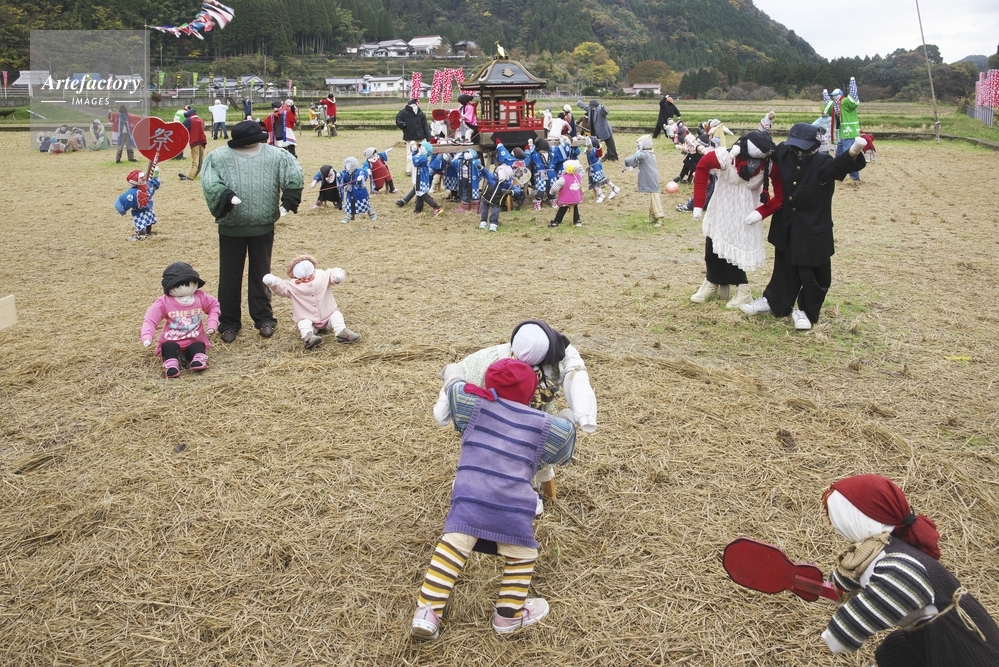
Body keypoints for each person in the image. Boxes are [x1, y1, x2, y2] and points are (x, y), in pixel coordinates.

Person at [412, 358, 576, 640]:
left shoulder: (474, 404)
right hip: (512, 509)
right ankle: (508, 616)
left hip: (469, 501)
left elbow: (454, 388)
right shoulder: (542, 424)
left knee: (451, 549)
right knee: (522, 555)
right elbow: (565, 444)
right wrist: (568, 414)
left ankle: (427, 612)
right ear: (530, 392)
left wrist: (452, 370)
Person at [819, 474, 999, 666]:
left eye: (839, 517)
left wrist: (840, 633)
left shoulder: (900, 564)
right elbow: (847, 578)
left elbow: (891, 593)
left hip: (959, 641)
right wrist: (825, 588)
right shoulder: (873, 550)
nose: (835, 525)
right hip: (927, 633)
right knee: (893, 651)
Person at [740, 123, 866, 330]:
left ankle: (806, 311)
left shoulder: (823, 162)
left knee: (812, 273)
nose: (798, 150)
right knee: (783, 267)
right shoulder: (784, 152)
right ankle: (775, 302)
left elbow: (838, 167)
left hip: (813, 229)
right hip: (787, 224)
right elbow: (764, 148)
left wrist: (853, 151)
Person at [200, 120, 304, 342]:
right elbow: (210, 181)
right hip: (231, 227)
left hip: (263, 225)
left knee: (262, 273)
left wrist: (289, 200)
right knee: (229, 275)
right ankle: (228, 321)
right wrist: (225, 196)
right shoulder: (218, 158)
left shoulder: (276, 156)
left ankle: (263, 317)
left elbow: (293, 176)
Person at [689, 131, 780, 309]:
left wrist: (761, 212)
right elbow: (703, 165)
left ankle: (743, 288)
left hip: (746, 214)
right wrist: (698, 203)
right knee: (713, 245)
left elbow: (780, 195)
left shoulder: (768, 165)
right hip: (722, 207)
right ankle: (712, 281)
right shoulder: (727, 157)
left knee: (737, 250)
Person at [262, 254, 360, 349]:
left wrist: (337, 275)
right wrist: (274, 282)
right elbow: (282, 288)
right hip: (309, 321)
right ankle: (308, 337)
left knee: (336, 315)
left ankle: (341, 332)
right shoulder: (292, 285)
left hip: (327, 316)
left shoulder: (322, 276)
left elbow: (333, 272)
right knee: (303, 323)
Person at [141, 262, 220, 378]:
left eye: (189, 283)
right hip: (172, 341)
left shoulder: (200, 296)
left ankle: (198, 358)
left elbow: (214, 306)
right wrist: (147, 335)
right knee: (168, 347)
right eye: (179, 285)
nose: (185, 288)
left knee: (198, 345)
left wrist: (212, 323)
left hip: (194, 339)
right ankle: (171, 364)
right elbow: (151, 319)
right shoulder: (164, 302)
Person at [823, 77, 861, 182]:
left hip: (849, 132)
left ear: (839, 95)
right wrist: (825, 94)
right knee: (839, 156)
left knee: (849, 155)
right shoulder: (836, 104)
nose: (833, 97)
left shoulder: (845, 102)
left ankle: (855, 177)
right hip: (841, 134)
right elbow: (828, 105)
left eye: (834, 95)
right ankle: (837, 175)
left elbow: (854, 98)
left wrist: (852, 83)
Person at [623, 134, 665, 226]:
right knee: (653, 197)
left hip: (652, 178)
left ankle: (660, 218)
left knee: (655, 197)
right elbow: (637, 159)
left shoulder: (645, 154)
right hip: (651, 177)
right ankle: (653, 216)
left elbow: (636, 157)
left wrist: (626, 161)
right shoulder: (648, 153)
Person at [115, 167, 161, 241]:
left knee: (140, 223)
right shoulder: (149, 187)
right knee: (148, 219)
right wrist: (155, 177)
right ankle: (148, 231)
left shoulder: (132, 193)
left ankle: (141, 235)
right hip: (148, 209)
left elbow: (125, 200)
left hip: (139, 211)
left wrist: (121, 208)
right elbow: (154, 184)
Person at [396, 98, 432, 176]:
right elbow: (398, 120)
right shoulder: (403, 112)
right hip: (410, 136)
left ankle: (420, 168)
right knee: (409, 153)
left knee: (421, 152)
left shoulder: (420, 113)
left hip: (420, 136)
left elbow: (425, 126)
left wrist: (429, 137)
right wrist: (403, 124)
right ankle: (408, 170)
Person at [340, 157, 377, 224]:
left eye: (350, 164)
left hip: (360, 192)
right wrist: (339, 176)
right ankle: (349, 215)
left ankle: (371, 213)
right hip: (350, 191)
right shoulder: (345, 172)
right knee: (350, 204)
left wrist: (361, 177)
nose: (348, 166)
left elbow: (364, 172)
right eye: (347, 164)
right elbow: (342, 177)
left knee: (365, 204)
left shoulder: (359, 171)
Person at [410, 142, 443, 217]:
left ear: (425, 150)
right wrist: (414, 151)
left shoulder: (424, 157)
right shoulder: (420, 155)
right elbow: (415, 156)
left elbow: (415, 161)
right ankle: (418, 209)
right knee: (418, 193)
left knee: (423, 194)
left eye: (420, 147)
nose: (419, 147)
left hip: (421, 178)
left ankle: (436, 207)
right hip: (417, 178)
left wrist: (412, 156)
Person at [548, 160, 584, 228]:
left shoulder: (563, 178)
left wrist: (551, 192)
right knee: (574, 207)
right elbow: (582, 172)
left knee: (562, 208)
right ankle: (577, 220)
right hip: (576, 198)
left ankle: (556, 221)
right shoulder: (578, 176)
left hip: (566, 199)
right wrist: (579, 165)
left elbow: (556, 186)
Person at [478, 164, 513, 232]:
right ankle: (483, 222)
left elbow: (516, 190)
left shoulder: (507, 184)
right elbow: (486, 173)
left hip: (496, 201)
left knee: (494, 211)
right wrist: (482, 169)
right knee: (485, 209)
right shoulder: (494, 178)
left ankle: (492, 224)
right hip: (487, 198)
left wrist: (510, 192)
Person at [584, 137, 620, 203]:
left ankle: (601, 195)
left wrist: (587, 139)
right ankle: (614, 188)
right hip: (598, 166)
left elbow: (589, 145)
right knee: (603, 179)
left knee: (596, 183)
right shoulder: (596, 149)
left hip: (595, 168)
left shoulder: (592, 150)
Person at [179, 108, 207, 181]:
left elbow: (182, 129)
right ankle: (196, 174)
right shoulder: (201, 120)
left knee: (195, 159)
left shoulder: (189, 120)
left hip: (194, 141)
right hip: (203, 141)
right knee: (201, 160)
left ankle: (190, 176)